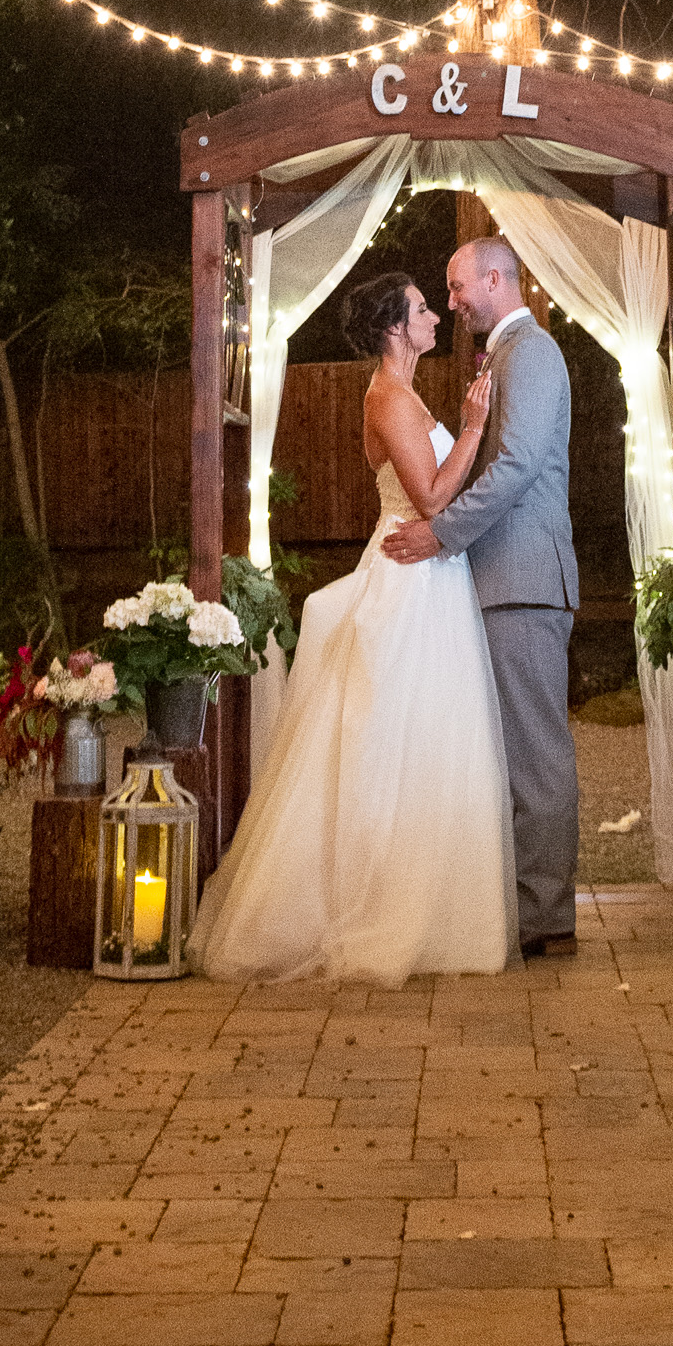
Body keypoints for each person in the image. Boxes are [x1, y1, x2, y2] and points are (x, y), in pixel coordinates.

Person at [186, 268, 517, 985]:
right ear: (396, 327)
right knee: (388, 738)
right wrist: (470, 429)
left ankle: (435, 911)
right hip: (409, 573)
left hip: (431, 574)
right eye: (424, 309)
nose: (436, 317)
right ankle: (371, 908)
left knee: (431, 739)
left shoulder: (402, 390)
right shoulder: (388, 397)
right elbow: (429, 498)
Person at [383, 237, 581, 957]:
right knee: (507, 754)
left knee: (535, 756)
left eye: (458, 284)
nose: (454, 299)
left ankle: (546, 919)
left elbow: (522, 462)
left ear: (495, 279)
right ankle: (520, 905)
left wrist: (443, 533)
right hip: (501, 579)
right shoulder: (504, 355)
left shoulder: (530, 352)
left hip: (523, 578)